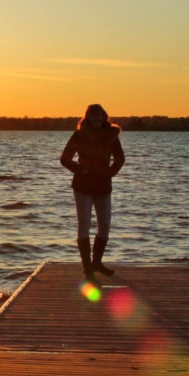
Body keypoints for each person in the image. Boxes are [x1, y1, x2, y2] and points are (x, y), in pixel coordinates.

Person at [60, 104, 125, 280]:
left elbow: (120, 158)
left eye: (98, 117)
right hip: (83, 185)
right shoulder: (79, 135)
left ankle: (97, 262)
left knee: (105, 224)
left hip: (103, 185)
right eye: (92, 117)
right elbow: (65, 159)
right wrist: (81, 170)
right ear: (87, 118)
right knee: (84, 224)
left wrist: (109, 173)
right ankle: (87, 266)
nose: (95, 120)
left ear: (103, 118)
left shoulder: (111, 135)